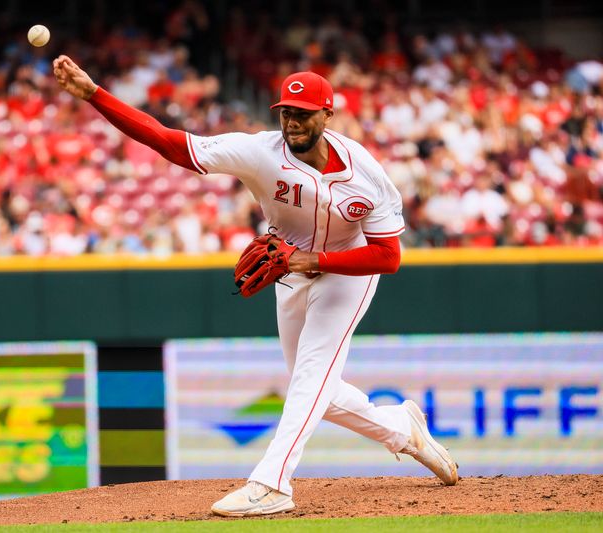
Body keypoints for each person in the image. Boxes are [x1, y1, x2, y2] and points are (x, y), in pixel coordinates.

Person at [52, 56, 459, 517]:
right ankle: (402, 431)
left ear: (328, 115)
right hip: (287, 270)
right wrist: (94, 94)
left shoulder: (367, 175)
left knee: (310, 378)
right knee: (317, 393)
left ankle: (272, 483)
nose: (292, 121)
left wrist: (314, 259)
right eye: (286, 111)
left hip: (348, 273)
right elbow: (171, 144)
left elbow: (388, 257)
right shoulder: (260, 152)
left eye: (303, 113)